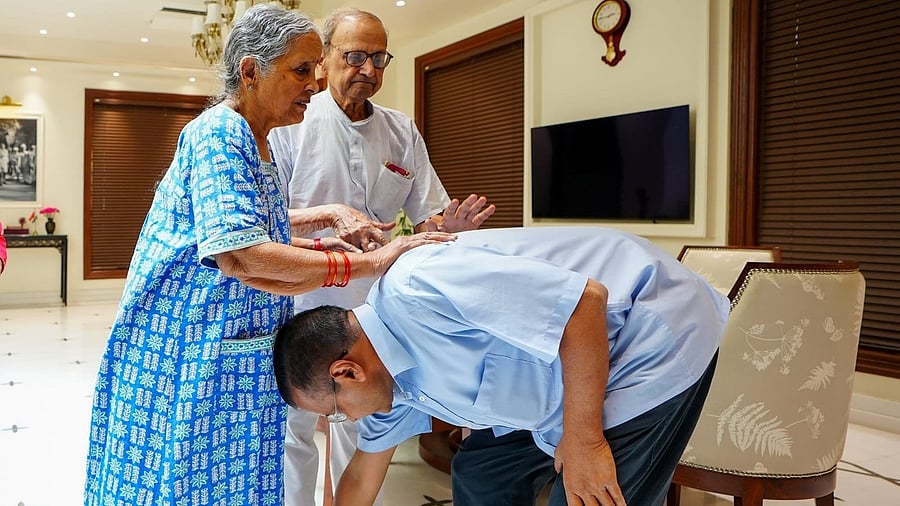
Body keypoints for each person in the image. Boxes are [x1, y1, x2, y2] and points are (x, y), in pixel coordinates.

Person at [82, 5, 455, 505]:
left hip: (237, 343)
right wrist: (365, 262)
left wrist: (328, 241)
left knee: (240, 473)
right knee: (187, 477)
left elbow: (257, 236)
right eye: (301, 70)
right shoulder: (219, 133)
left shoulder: (259, 142)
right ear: (252, 72)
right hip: (187, 346)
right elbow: (242, 256)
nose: (314, 84)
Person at [273, 226, 730, 506]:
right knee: (482, 475)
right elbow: (359, 481)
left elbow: (585, 304)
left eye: (334, 412)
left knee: (585, 494)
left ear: (346, 372)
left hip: (648, 329)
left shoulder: (418, 287)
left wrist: (584, 440)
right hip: (565, 382)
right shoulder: (389, 390)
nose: (345, 420)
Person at [267, 7, 495, 505]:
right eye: (354, 56)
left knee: (361, 420)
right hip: (298, 300)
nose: (368, 69)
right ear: (324, 61)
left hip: (372, 309)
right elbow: (266, 221)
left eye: (378, 57)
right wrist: (329, 221)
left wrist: (446, 227)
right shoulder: (290, 126)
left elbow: (428, 213)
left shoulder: (401, 131)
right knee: (294, 427)